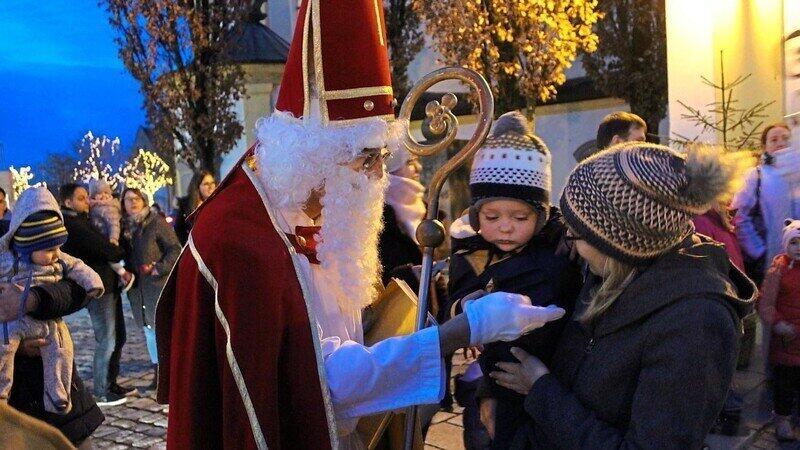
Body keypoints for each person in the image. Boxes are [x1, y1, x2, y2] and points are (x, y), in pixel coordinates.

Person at [155, 2, 565, 448]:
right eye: (366, 158)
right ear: (313, 153)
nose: (377, 177)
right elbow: (319, 381)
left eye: (382, 158)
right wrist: (458, 334)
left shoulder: (306, 205)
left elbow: (333, 333)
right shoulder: (244, 241)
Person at [489, 143, 756, 449]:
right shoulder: (609, 271)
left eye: (577, 234)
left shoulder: (696, 323)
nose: (571, 244)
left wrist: (541, 391)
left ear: (618, 242)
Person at [446, 112, 582, 449]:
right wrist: (467, 310)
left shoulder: (557, 254)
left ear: (541, 216)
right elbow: (456, 295)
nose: (505, 227)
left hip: (539, 373)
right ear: (477, 216)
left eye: (520, 217)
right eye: (492, 217)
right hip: (495, 371)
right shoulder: (472, 251)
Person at [0, 187, 103, 416]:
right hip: (12, 333)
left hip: (48, 327)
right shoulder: (6, 255)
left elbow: (78, 284)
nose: (55, 254)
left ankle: (58, 394)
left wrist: (34, 299)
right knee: (4, 348)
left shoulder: (51, 246)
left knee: (61, 348)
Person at [1, 266, 105, 446]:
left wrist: (33, 299)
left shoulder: (31, 240)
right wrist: (12, 344)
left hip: (55, 403)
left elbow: (81, 286)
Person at [60, 183, 132, 406]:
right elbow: (104, 248)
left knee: (119, 336)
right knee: (107, 339)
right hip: (98, 288)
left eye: (86, 197)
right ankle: (101, 390)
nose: (87, 202)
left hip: (109, 284)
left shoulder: (85, 220)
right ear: (68, 202)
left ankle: (111, 382)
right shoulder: (73, 225)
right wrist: (120, 249)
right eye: (81, 198)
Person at [121, 187, 180, 392]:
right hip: (137, 290)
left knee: (162, 329)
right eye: (128, 199)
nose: (132, 202)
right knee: (149, 332)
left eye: (136, 198)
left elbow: (175, 249)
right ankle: (159, 373)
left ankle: (171, 374)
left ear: (144, 200)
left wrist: (158, 267)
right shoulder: (124, 228)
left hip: (157, 286)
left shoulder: (156, 222)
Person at [733, 122, 797, 285]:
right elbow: (740, 217)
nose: (780, 143)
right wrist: (758, 252)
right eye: (774, 140)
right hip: (768, 265)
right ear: (764, 146)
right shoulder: (756, 176)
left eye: (785, 138)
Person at [758, 219, 800, 442]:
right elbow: (766, 303)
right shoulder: (778, 270)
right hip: (786, 342)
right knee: (785, 384)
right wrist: (778, 323)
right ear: (786, 244)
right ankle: (782, 420)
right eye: (794, 242)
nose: (799, 247)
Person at [378, 146, 424, 285]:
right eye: (409, 162)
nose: (419, 167)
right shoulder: (377, 223)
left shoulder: (431, 213)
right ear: (389, 170)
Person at [87, 180, 135, 292]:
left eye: (106, 192)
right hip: (102, 237)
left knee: (113, 261)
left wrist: (113, 239)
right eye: (99, 193)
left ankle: (125, 276)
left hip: (109, 239)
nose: (103, 196)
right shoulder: (94, 207)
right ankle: (121, 278)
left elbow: (114, 224)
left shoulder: (109, 207)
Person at [174, 170, 215, 245]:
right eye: (206, 184)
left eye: (212, 183)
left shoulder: (218, 202)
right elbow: (179, 229)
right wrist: (190, 245)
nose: (211, 187)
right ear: (197, 187)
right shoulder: (186, 206)